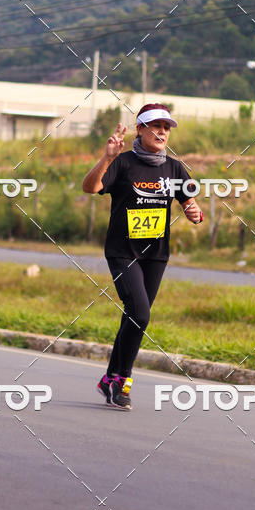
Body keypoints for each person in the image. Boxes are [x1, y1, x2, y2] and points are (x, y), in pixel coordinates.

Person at [83, 103, 203, 410]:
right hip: (122, 252)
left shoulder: (174, 168)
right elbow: (90, 186)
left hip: (155, 255)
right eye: (156, 126)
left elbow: (191, 204)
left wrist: (194, 213)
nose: (162, 131)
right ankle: (123, 379)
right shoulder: (123, 163)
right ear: (140, 129)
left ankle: (109, 378)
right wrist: (107, 158)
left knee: (135, 317)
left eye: (167, 127)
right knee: (140, 314)